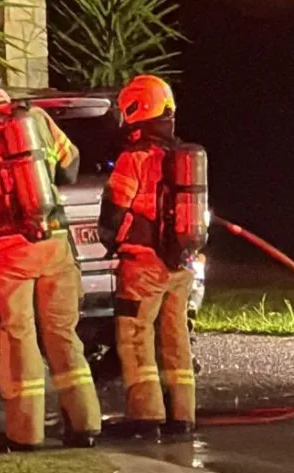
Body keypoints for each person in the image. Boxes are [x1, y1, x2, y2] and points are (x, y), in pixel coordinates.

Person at [0, 63, 102, 452]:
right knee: (64, 336)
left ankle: (25, 434)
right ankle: (85, 425)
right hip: (54, 247)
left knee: (19, 343)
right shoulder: (37, 117)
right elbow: (71, 166)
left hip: (8, 255)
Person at [97, 75, 196, 441]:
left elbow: (114, 210)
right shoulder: (183, 156)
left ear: (137, 108)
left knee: (135, 337)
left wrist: (111, 242)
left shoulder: (135, 157)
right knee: (175, 337)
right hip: (180, 265)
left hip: (143, 265)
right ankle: (182, 415)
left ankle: (145, 416)